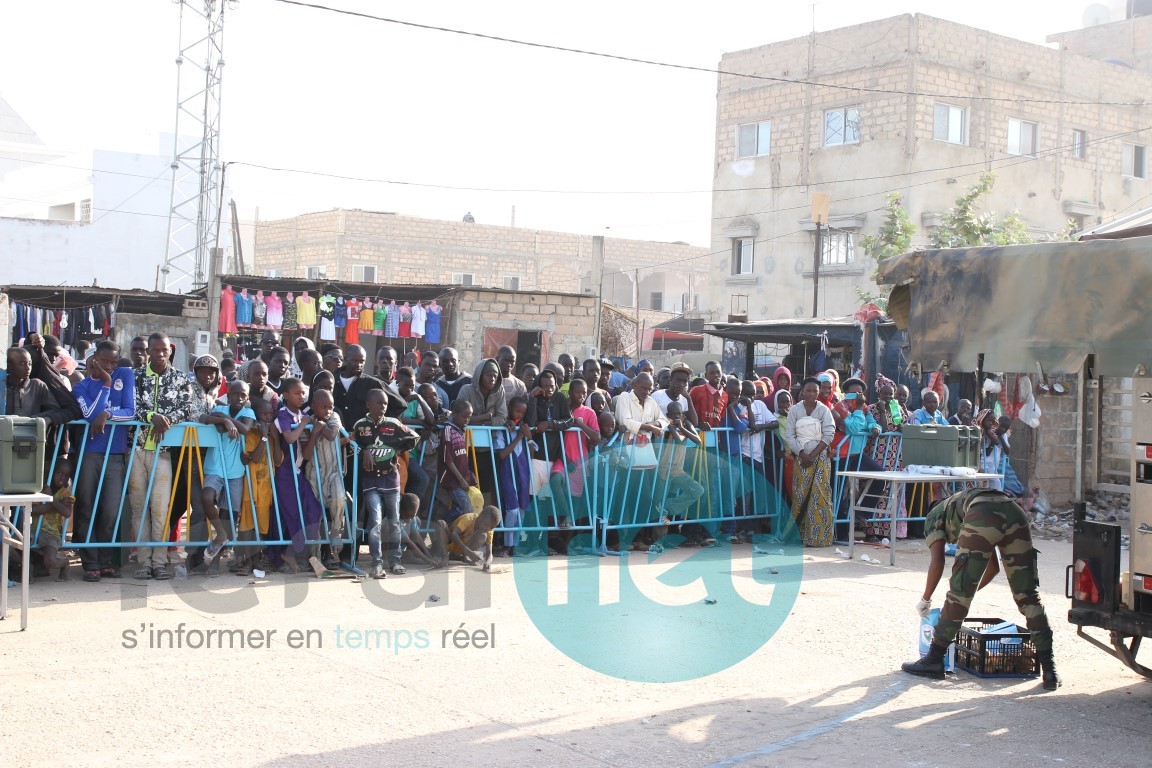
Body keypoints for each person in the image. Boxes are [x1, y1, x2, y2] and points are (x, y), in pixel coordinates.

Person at [902, 487, 1060, 690]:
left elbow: (937, 562)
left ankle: (933, 659)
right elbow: (992, 568)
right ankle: (1050, 670)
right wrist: (967, 595)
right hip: (1014, 511)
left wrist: (927, 598)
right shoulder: (961, 505)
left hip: (983, 513)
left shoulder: (933, 515)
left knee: (958, 593)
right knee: (1028, 596)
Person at [129, 332, 195, 581]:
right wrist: (151, 417)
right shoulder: (135, 377)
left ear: (170, 351)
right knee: (139, 510)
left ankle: (159, 561)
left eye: (163, 350)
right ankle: (143, 562)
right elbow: (131, 405)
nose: (159, 354)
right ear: (148, 352)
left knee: (160, 509)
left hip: (164, 452)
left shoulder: (181, 379)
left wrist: (166, 420)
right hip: (136, 449)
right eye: (154, 350)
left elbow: (187, 407)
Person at [71, 340, 136, 582]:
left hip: (115, 453)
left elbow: (130, 411)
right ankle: (90, 562)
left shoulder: (125, 375)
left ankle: (106, 559)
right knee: (87, 506)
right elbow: (89, 415)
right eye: (104, 361)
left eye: (113, 362)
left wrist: (108, 414)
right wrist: (106, 384)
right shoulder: (81, 386)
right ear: (94, 357)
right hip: (90, 453)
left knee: (111, 510)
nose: (109, 366)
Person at [353, 388, 421, 578]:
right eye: (379, 403)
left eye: (385, 403)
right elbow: (352, 444)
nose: (383, 406)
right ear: (368, 404)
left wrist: (396, 449)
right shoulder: (360, 426)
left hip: (391, 479)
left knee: (394, 521)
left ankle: (395, 561)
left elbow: (414, 437)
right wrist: (364, 449)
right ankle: (376, 563)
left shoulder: (394, 424)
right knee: (375, 520)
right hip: (370, 480)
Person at [272, 378, 326, 573]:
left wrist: (314, 432)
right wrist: (304, 424)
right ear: (285, 395)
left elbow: (307, 453)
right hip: (285, 473)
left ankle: (296, 553)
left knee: (313, 510)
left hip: (299, 472)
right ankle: (288, 555)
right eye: (297, 393)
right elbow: (289, 437)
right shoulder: (283, 415)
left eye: (304, 393)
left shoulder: (304, 415)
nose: (301, 396)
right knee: (292, 515)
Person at [201, 380, 255, 564]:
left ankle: (218, 554)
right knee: (207, 497)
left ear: (247, 397)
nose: (238, 398)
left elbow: (246, 429)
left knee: (229, 513)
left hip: (235, 470)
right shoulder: (220, 410)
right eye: (234, 394)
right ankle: (221, 534)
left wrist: (228, 422)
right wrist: (224, 420)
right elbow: (206, 419)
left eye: (243, 395)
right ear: (228, 395)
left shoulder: (248, 412)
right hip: (215, 466)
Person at [786, 377, 836, 547]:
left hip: (819, 457)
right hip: (801, 458)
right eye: (809, 390)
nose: (812, 393)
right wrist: (801, 454)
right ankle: (797, 536)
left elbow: (829, 433)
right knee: (800, 495)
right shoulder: (794, 410)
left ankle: (819, 537)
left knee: (820, 494)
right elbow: (790, 436)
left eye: (815, 390)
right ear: (803, 391)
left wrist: (813, 455)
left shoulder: (824, 410)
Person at [235, 397, 280, 575]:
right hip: (250, 486)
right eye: (264, 414)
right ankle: (247, 560)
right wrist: (263, 436)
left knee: (261, 525)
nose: (268, 418)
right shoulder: (252, 434)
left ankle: (257, 560)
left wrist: (273, 436)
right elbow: (253, 457)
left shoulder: (272, 435)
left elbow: (277, 460)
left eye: (270, 414)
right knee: (247, 525)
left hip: (265, 489)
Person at [302, 388, 347, 568]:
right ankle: (316, 556)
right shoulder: (307, 422)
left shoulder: (334, 417)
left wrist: (320, 425)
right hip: (314, 474)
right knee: (316, 516)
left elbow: (331, 434)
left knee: (339, 498)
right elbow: (305, 455)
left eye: (330, 406)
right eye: (323, 407)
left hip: (334, 472)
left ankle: (336, 532)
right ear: (313, 406)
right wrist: (313, 430)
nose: (327, 410)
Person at [493, 395, 533, 557]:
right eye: (517, 411)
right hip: (508, 474)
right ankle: (507, 544)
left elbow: (531, 453)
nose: (520, 415)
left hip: (523, 475)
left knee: (522, 510)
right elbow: (502, 454)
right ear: (509, 409)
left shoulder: (523, 428)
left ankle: (517, 544)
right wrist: (519, 437)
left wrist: (528, 437)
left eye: (523, 413)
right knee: (512, 511)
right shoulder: (504, 430)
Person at [655, 401, 706, 528]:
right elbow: (678, 439)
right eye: (674, 414)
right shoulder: (666, 424)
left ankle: (666, 506)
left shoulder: (686, 423)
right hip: (663, 470)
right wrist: (673, 428)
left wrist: (682, 427)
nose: (677, 416)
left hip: (677, 470)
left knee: (697, 490)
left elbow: (698, 440)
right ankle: (654, 537)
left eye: (680, 413)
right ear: (668, 414)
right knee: (656, 501)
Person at [4, 346, 75, 424]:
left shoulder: (37, 385)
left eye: (30, 364)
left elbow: (55, 409)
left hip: (30, 432)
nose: (28, 368)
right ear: (9, 366)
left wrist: (35, 419)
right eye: (22, 364)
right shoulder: (2, 387)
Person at [30, 459, 75, 582]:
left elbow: (67, 512)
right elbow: (32, 510)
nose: (63, 478)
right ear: (52, 472)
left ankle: (65, 563)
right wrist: (57, 504)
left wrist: (51, 499)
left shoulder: (66, 492)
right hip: (32, 529)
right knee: (11, 547)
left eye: (66, 476)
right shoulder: (40, 489)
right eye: (59, 473)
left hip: (51, 533)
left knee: (50, 562)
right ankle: (29, 567)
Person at [438, 400, 475, 525]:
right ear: (454, 414)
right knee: (467, 509)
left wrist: (470, 475)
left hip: (461, 479)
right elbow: (447, 459)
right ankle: (442, 525)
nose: (466, 420)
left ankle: (446, 533)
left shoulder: (460, 431)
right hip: (452, 480)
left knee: (458, 510)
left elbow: (462, 458)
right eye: (464, 416)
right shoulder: (448, 431)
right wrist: (461, 480)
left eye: (469, 417)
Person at [433, 505, 499, 571]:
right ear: (481, 516)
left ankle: (463, 557)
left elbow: (489, 552)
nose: (488, 528)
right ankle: (445, 555)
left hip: (463, 550)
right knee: (440, 523)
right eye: (487, 525)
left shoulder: (489, 530)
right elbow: (454, 534)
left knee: (482, 536)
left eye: (491, 527)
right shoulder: (468, 519)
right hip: (449, 543)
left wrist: (487, 563)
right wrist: (469, 552)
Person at [399, 492, 443, 568]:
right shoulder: (395, 521)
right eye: (408, 516)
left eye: (413, 515)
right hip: (390, 549)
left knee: (417, 520)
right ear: (401, 511)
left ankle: (408, 556)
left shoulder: (412, 518)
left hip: (401, 546)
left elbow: (417, 537)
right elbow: (408, 542)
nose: (410, 519)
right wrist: (428, 560)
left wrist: (429, 556)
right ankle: (388, 558)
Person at [459, 358, 508, 426]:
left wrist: (484, 424)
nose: (492, 379)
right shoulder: (466, 390)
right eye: (489, 375)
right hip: (468, 434)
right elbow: (459, 419)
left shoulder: (499, 390)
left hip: (491, 435)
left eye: (495, 376)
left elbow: (503, 418)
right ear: (480, 376)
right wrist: (487, 415)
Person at [653, 362, 700, 428]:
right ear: (671, 379)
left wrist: (688, 398)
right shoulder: (657, 395)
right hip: (659, 437)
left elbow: (694, 423)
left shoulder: (685, 399)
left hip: (678, 437)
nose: (681, 384)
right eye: (678, 380)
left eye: (684, 381)